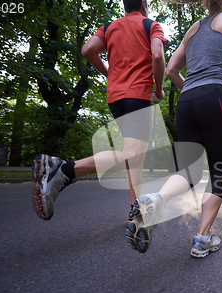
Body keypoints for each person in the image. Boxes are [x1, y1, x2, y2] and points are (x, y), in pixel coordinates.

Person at [128, 0, 222, 258]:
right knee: (217, 171)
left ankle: (157, 199)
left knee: (188, 172)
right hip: (217, 94)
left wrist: (193, 92)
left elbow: (171, 70)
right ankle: (202, 238)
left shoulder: (192, 30)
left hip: (187, 101)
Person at [32, 0, 166, 226]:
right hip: (138, 94)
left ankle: (137, 213)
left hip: (115, 98)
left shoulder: (109, 27)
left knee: (134, 157)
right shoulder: (151, 25)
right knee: (133, 155)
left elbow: (87, 49)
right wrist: (160, 89)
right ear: (143, 4)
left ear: (125, 5)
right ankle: (63, 169)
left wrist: (109, 73)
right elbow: (157, 56)